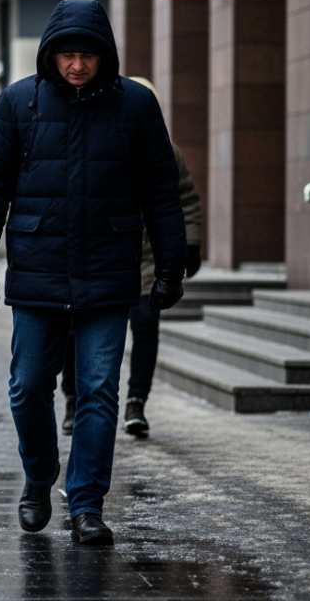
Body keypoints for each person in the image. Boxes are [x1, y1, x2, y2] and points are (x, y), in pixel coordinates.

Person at [0, 0, 186, 545]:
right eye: (67, 55)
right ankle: (40, 476)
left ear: (104, 55)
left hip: (109, 271)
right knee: (27, 386)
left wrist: (170, 267)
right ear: (50, 55)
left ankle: (86, 503)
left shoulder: (135, 105)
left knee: (98, 391)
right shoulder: (19, 101)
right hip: (38, 269)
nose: (77, 66)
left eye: (87, 55)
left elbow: (162, 190)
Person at [61, 77, 203, 439]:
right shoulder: (101, 142)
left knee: (145, 325)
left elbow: (184, 199)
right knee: (75, 328)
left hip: (148, 256)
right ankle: (73, 399)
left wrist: (190, 246)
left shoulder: (167, 153)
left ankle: (136, 402)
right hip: (104, 256)